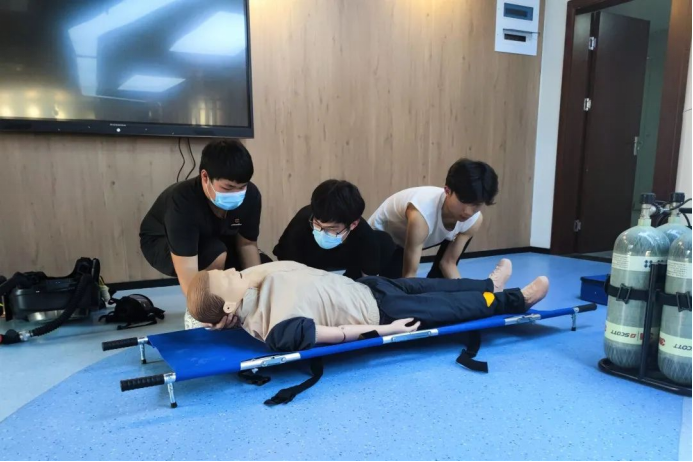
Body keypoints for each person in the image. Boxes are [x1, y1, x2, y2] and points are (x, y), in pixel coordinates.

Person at [185, 258, 550, 352]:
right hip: (383, 314)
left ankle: (489, 285)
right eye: (227, 277)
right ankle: (516, 299)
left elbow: (285, 267)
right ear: (230, 307)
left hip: (369, 287)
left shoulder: (253, 283)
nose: (233, 270)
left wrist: (237, 286)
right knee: (448, 307)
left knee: (438, 284)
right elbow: (335, 335)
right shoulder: (274, 329)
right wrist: (386, 331)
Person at [139, 140, 268, 302]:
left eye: (242, 187)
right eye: (228, 188)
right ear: (205, 177)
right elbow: (187, 268)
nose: (235, 193)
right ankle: (211, 302)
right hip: (161, 241)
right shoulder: (182, 200)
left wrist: (256, 291)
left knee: (266, 268)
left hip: (215, 237)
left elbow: (247, 245)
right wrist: (202, 307)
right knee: (215, 252)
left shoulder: (251, 196)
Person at [368, 159, 499, 279]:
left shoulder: (474, 220)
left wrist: (463, 291)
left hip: (411, 240)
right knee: (389, 287)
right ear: (447, 191)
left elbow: (448, 263)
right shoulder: (421, 214)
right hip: (380, 243)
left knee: (442, 285)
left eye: (476, 205)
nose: (468, 212)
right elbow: (409, 276)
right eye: (463, 201)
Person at [273, 180, 397, 279]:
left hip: (348, 275)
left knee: (384, 242)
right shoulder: (303, 221)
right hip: (307, 270)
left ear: (353, 225)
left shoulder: (364, 236)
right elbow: (286, 265)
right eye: (317, 224)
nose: (321, 232)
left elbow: (369, 282)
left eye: (331, 228)